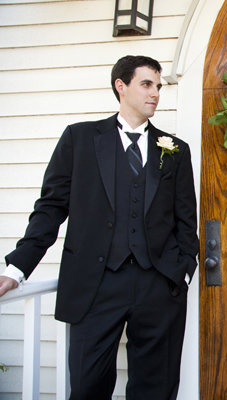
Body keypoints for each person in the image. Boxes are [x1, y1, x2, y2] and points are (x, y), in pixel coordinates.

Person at [0, 55, 199, 399]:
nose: (155, 93)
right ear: (121, 86)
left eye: (159, 86)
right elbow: (50, 208)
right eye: (147, 84)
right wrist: (18, 267)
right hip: (95, 283)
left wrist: (181, 273)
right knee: (89, 383)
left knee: (157, 386)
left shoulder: (175, 150)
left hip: (158, 285)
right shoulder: (79, 139)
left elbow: (186, 219)